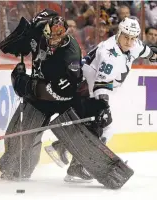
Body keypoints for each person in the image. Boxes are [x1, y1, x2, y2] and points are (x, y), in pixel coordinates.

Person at [45, 17, 157, 182]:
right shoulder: (109, 54)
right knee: (104, 126)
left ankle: (62, 148)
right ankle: (76, 163)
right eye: (126, 36)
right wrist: (103, 106)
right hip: (86, 87)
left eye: (133, 38)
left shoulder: (133, 44)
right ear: (119, 32)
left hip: (93, 87)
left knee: (92, 125)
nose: (129, 41)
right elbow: (101, 84)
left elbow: (147, 51)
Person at [0, 9, 100, 181]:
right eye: (51, 37)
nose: (54, 41)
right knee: (18, 132)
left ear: (65, 34)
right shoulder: (39, 31)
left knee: (85, 125)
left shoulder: (70, 56)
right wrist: (24, 35)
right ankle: (18, 168)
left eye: (59, 37)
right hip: (40, 87)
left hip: (65, 96)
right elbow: (47, 14)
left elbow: (57, 93)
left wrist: (24, 84)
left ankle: (79, 167)